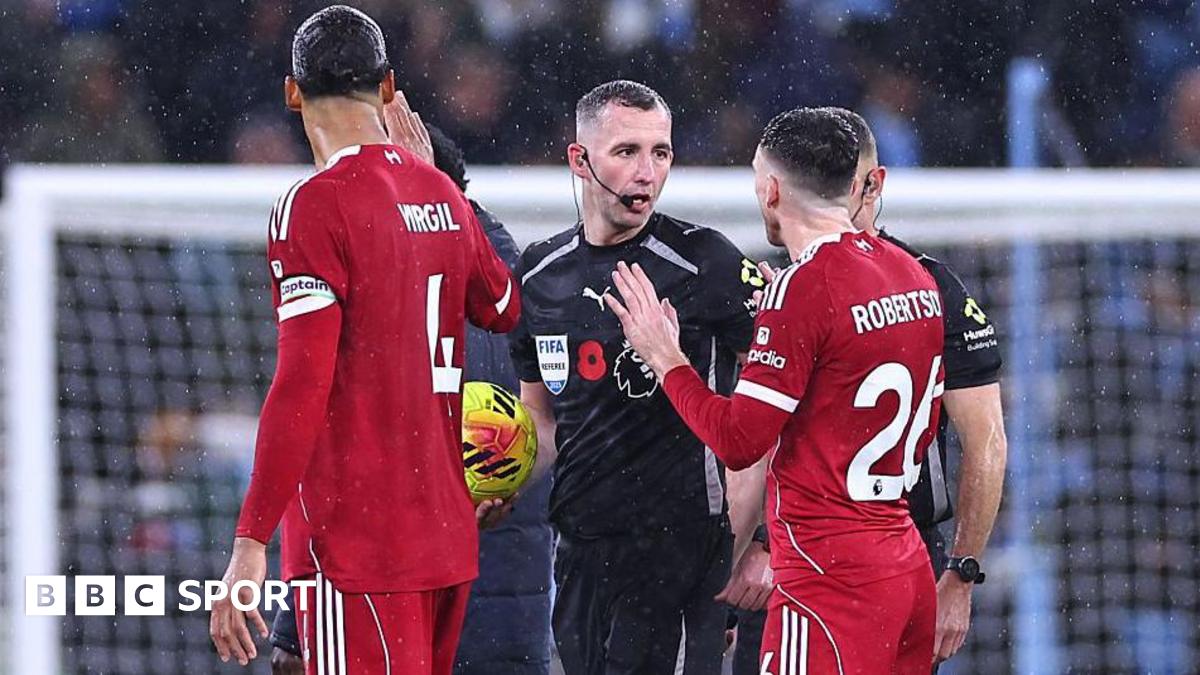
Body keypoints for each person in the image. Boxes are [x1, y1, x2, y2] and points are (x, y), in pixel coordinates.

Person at [208, 6, 520, 675]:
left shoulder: (313, 204)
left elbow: (302, 384)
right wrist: (437, 195)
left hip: (362, 546)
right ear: (388, 87)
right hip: (444, 539)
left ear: (292, 92)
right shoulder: (440, 190)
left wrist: (250, 540)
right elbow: (501, 304)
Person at [603, 107, 944, 674]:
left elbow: (739, 441)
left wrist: (666, 358)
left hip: (828, 580)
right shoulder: (912, 273)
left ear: (772, 189)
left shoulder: (803, 287)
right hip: (905, 564)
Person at [267, 120, 555, 675]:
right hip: (510, 623)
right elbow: (558, 434)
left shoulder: (378, 300)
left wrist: (292, 623)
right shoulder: (531, 286)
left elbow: (326, 459)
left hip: (388, 607)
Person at [508, 79, 765, 674]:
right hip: (578, 552)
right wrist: (502, 478)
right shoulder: (540, 274)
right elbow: (542, 420)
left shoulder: (708, 263)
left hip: (680, 553)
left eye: (661, 153)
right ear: (580, 160)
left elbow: (786, 397)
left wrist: (760, 540)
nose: (646, 172)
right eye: (627, 152)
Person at [837, 107, 1007, 665]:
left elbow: (986, 440)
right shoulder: (777, 282)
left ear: (874, 184)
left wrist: (960, 573)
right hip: (800, 556)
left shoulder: (934, 285)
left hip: (907, 549)